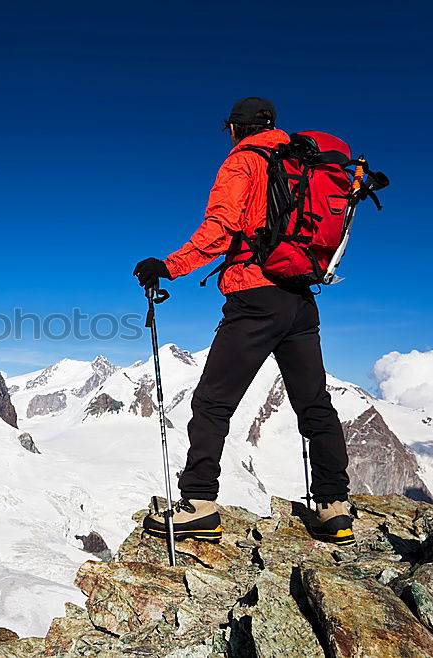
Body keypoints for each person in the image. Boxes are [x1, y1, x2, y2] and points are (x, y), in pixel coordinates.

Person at [132, 97, 354, 546]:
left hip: (255, 295)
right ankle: (335, 509)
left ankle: (198, 505)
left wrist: (169, 266)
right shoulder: (299, 162)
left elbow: (220, 228)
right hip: (301, 298)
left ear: (235, 128)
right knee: (313, 403)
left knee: (212, 402)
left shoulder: (244, 162)